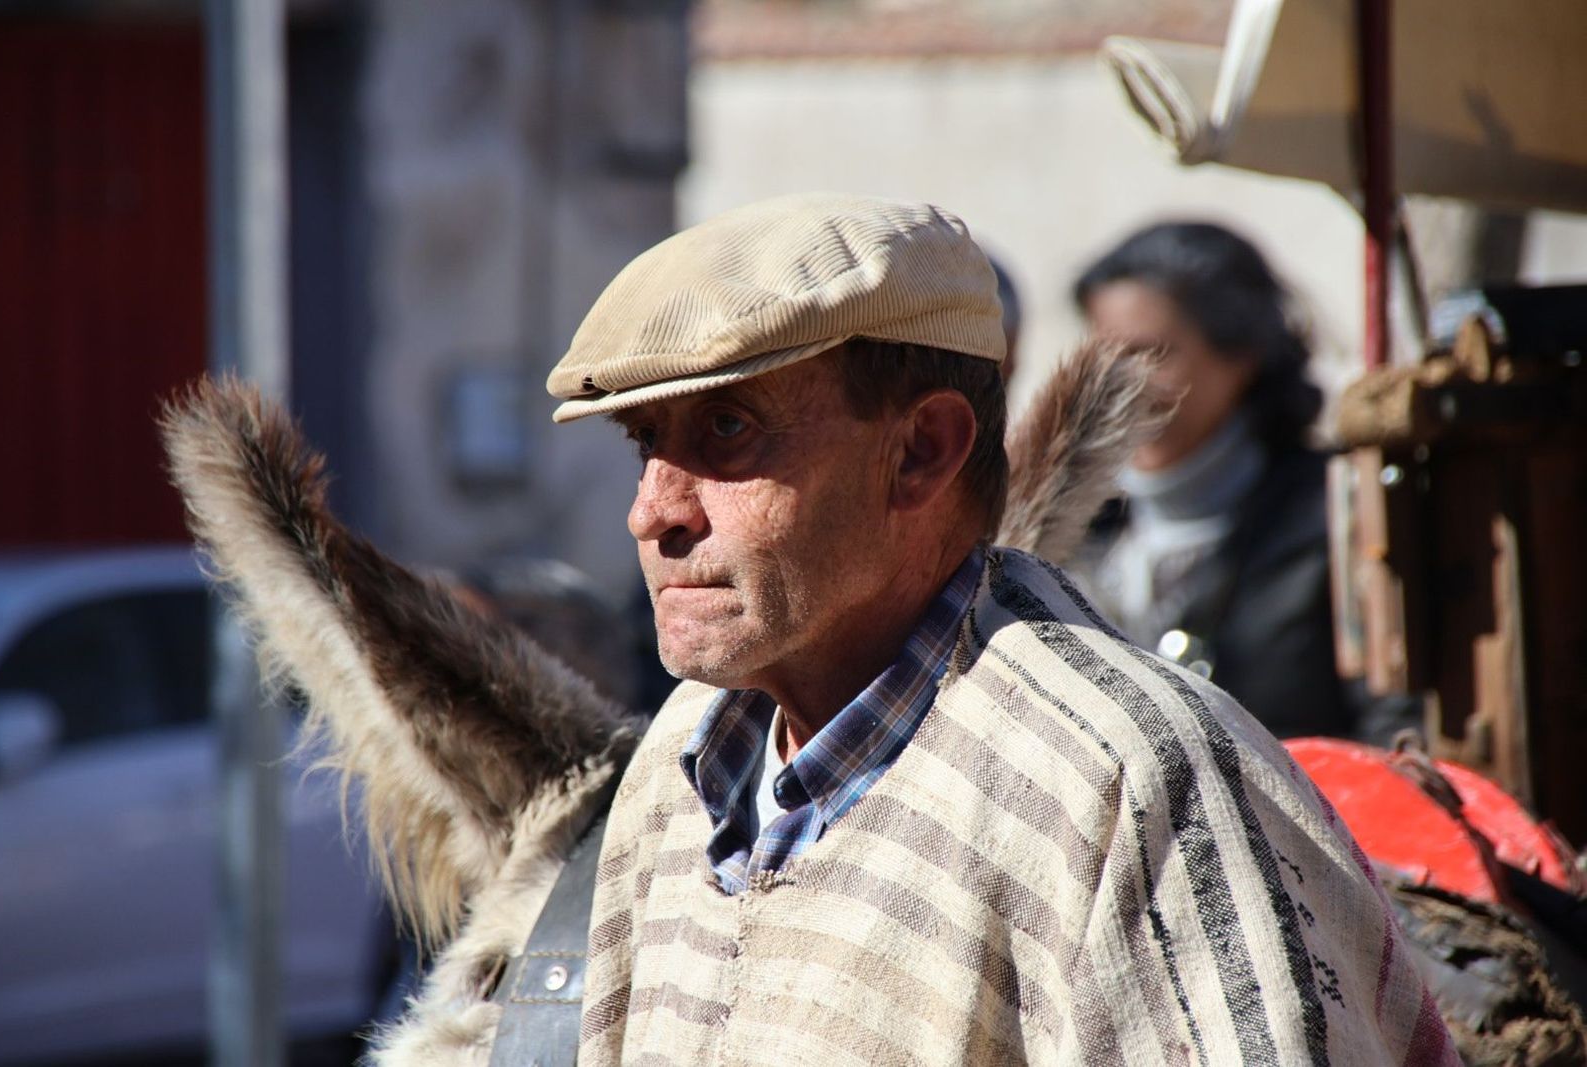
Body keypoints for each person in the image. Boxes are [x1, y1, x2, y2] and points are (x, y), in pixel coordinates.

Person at [544, 193, 1454, 1064]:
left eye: (728, 429)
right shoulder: (680, 765)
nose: (652, 512)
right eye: (644, 444)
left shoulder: (1124, 784)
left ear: (921, 451)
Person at [1069, 221, 1417, 745]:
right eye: (1104, 355)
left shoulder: (1339, 515)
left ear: (1239, 354)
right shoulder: (1076, 532)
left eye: (1151, 354)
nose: (1120, 386)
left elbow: (1393, 734)